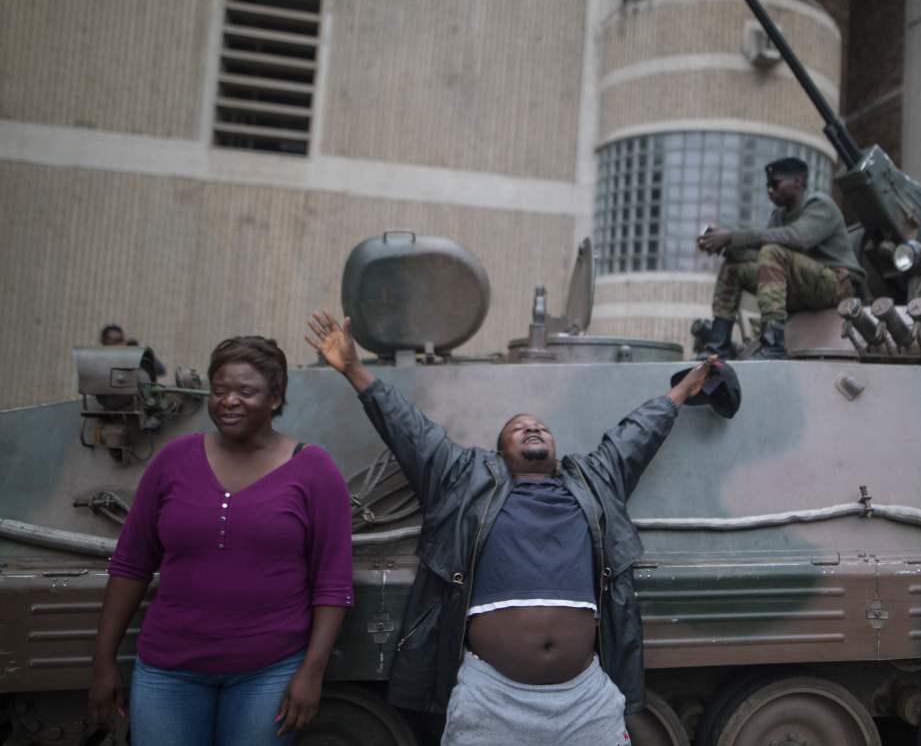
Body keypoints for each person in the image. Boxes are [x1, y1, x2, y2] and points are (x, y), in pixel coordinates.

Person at [305, 311, 716, 745]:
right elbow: (410, 429)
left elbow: (637, 435)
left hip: (584, 696)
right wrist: (352, 368)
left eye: (540, 427)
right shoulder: (463, 479)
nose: (533, 428)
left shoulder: (594, 480)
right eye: (519, 428)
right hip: (492, 696)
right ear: (500, 451)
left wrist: (685, 389)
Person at [87, 336, 354, 745]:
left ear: (275, 397)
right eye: (220, 390)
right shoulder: (173, 460)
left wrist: (311, 672)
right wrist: (103, 661)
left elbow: (332, 583)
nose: (229, 401)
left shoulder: (314, 470)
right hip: (168, 671)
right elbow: (131, 566)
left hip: (269, 673)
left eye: (246, 391)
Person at [697, 156, 864, 359]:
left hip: (836, 286)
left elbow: (798, 238)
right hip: (803, 288)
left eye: (775, 183)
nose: (769, 190)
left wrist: (733, 236)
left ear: (797, 181)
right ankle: (718, 345)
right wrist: (724, 246)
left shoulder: (820, 205)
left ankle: (773, 344)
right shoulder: (779, 216)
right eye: (768, 185)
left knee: (772, 251)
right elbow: (761, 259)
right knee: (734, 267)